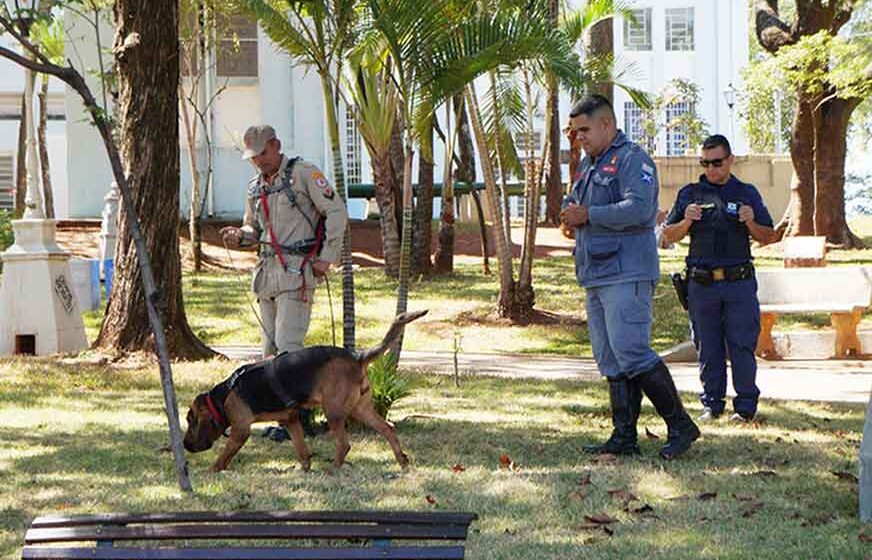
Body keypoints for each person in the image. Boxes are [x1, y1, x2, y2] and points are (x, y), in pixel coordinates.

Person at [560, 95, 699, 460]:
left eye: (585, 130)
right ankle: (624, 437)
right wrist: (571, 216)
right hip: (596, 272)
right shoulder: (590, 165)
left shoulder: (632, 159)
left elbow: (640, 209)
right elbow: (578, 205)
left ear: (607, 125)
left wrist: (588, 214)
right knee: (609, 357)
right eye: (575, 132)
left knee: (632, 352)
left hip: (626, 271)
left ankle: (681, 424)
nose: (580, 138)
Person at [220, 125, 348, 437]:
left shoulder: (303, 174)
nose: (259, 161)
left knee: (288, 352)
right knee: (269, 352)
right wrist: (240, 237)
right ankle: (282, 419)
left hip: (296, 272)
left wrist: (327, 256)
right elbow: (253, 230)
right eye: (253, 157)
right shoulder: (255, 187)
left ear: (276, 145)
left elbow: (336, 211)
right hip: (266, 275)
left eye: (263, 153)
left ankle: (297, 420)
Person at [662, 134, 775, 423]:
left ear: (730, 160)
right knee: (707, 346)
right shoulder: (690, 193)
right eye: (705, 163)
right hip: (702, 283)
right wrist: (686, 220)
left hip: (738, 281)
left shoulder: (746, 193)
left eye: (717, 162)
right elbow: (669, 235)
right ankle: (712, 405)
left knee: (741, 344)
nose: (711, 169)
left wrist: (750, 220)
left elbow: (768, 236)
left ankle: (746, 407)